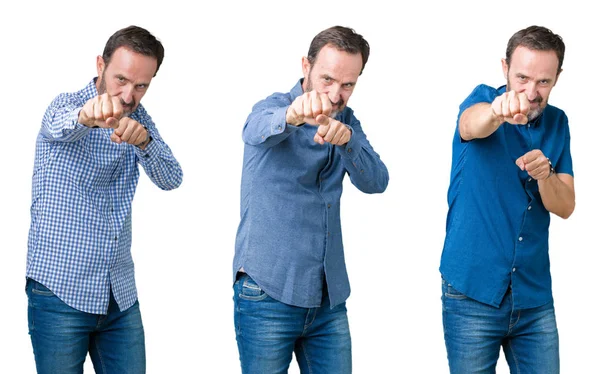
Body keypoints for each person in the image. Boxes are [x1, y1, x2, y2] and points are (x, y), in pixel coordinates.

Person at [26, 25, 182, 373]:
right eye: (121, 80)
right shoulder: (65, 106)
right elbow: (60, 125)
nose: (129, 95)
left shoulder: (140, 120)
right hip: (59, 292)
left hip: (119, 295)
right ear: (101, 65)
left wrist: (144, 143)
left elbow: (172, 178)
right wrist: (88, 117)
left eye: (141, 85)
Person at [232, 26, 388, 373]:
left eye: (348, 85)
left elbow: (377, 182)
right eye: (327, 80)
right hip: (267, 293)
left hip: (328, 300)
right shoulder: (273, 108)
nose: (335, 95)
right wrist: (292, 116)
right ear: (306, 66)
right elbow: (253, 130)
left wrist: (347, 140)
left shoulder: (347, 121)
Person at [440, 25, 575, 373]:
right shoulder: (482, 100)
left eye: (543, 82)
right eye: (522, 78)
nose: (531, 92)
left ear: (557, 77)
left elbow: (565, 206)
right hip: (473, 292)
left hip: (533, 297)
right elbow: (471, 125)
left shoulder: (558, 123)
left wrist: (545, 176)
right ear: (504, 68)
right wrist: (498, 111)